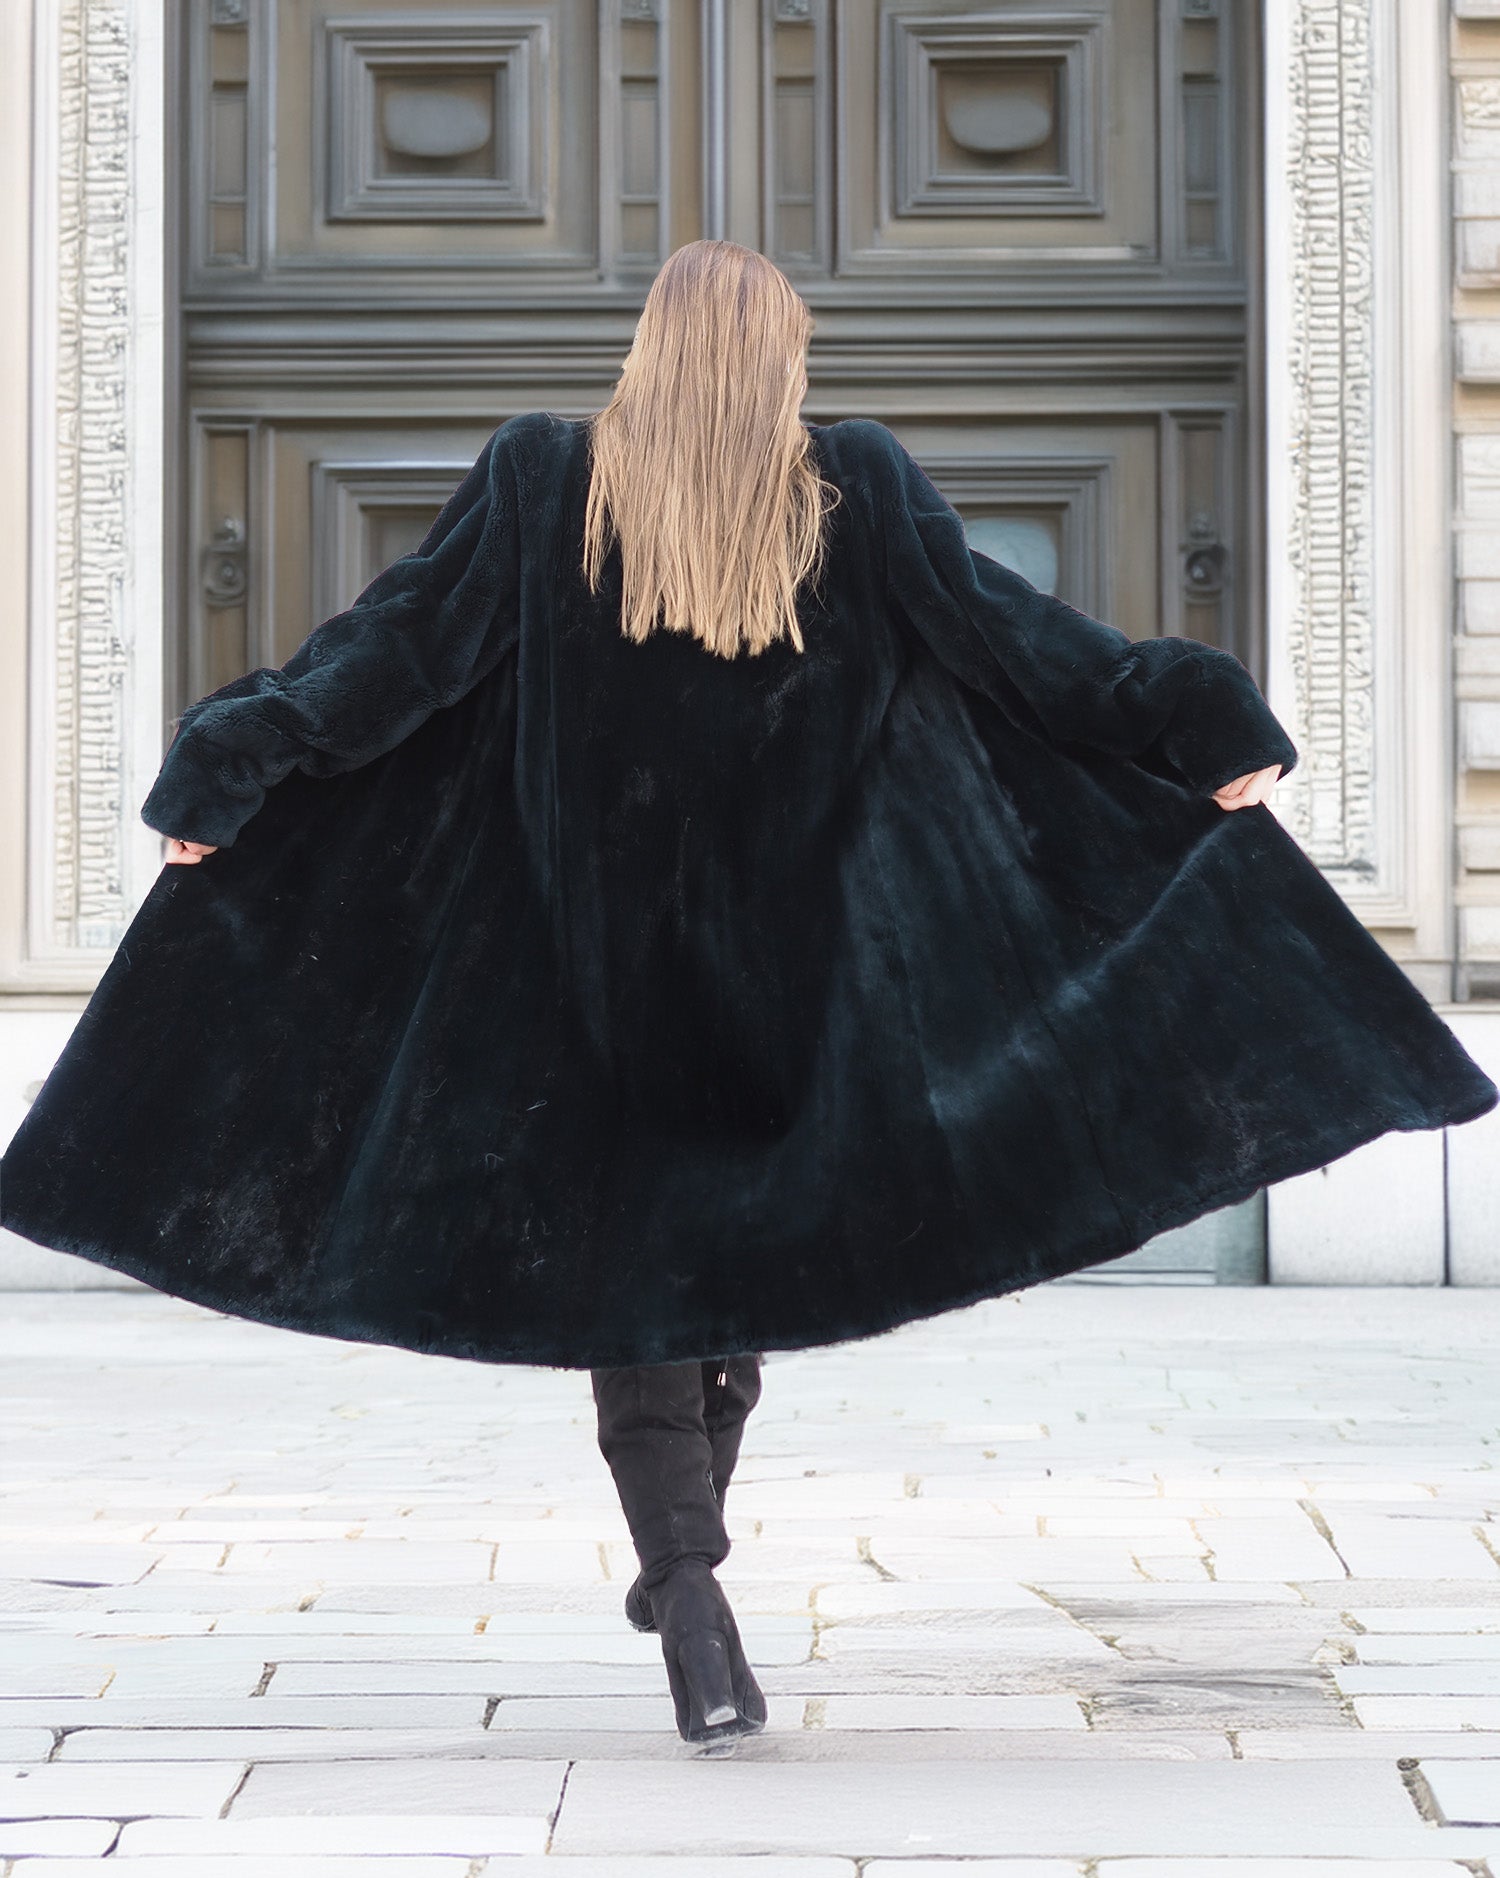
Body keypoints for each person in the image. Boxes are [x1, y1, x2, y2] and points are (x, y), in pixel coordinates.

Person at [3, 241, 1495, 1753]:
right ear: (780, 361)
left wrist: (234, 765)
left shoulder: (541, 482)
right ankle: (692, 1557)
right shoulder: (857, 488)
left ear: (650, 350)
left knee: (637, 1282)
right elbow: (1031, 654)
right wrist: (1199, 725)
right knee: (735, 1268)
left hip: (589, 982)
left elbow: (384, 661)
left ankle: (686, 1585)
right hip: (801, 980)